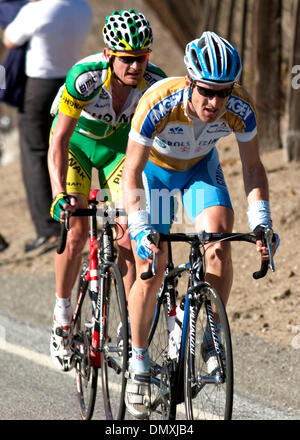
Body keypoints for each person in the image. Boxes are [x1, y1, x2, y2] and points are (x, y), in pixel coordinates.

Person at [122, 31, 280, 419]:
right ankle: (139, 363)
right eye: (206, 91)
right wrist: (141, 227)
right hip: (153, 175)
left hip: (199, 170)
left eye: (223, 92)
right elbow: (131, 173)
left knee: (220, 242)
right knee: (151, 267)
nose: (214, 103)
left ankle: (208, 332)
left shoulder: (240, 107)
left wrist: (261, 222)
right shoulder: (158, 102)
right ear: (190, 83)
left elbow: (253, 166)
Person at [47, 9, 167, 371]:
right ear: (108, 54)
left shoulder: (153, 81)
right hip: (78, 146)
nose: (136, 66)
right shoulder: (84, 78)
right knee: (77, 229)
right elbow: (59, 142)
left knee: (129, 233)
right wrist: (58, 195)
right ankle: (62, 315)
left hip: (118, 149)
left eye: (142, 58)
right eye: (127, 59)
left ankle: (130, 325)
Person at [2, 0, 93, 252]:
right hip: (71, 83)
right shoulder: (82, 7)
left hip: (39, 87)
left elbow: (10, 39)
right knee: (64, 146)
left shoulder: (36, 10)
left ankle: (48, 229)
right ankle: (70, 219)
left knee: (35, 153)